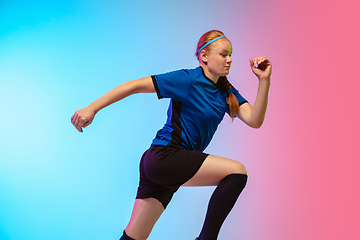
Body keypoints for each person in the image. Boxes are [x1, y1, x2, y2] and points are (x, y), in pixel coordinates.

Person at [71, 30, 272, 240]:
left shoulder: (227, 92)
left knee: (133, 237)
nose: (229, 60)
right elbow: (136, 86)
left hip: (167, 166)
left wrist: (264, 81)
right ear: (204, 56)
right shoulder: (188, 79)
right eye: (223, 54)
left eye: (231, 54)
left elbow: (254, 120)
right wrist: (92, 107)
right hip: (165, 157)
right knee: (237, 172)